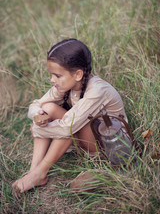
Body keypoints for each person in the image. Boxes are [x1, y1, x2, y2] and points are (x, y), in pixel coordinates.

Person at [12, 38, 128, 193]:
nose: (52, 80)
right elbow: (36, 103)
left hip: (109, 147)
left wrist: (39, 130)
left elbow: (68, 127)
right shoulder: (67, 85)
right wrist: (37, 115)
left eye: (57, 75)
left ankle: (41, 173)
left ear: (78, 74)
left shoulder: (97, 90)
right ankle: (34, 172)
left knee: (68, 124)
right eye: (51, 75)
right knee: (48, 108)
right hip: (87, 137)